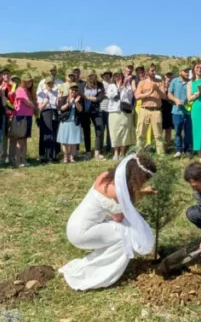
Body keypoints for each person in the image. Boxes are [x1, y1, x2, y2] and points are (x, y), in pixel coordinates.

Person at [58, 154, 157, 290]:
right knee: (126, 236)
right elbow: (119, 217)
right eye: (144, 180)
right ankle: (99, 274)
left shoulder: (107, 176)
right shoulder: (115, 192)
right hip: (82, 233)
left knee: (123, 231)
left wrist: (142, 191)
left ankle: (99, 262)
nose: (144, 183)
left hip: (74, 224)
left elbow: (122, 193)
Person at [134, 64, 166, 155]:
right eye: (152, 70)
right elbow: (137, 96)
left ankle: (161, 155)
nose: (154, 72)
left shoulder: (160, 82)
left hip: (156, 110)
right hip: (144, 110)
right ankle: (139, 154)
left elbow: (164, 96)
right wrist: (147, 94)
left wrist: (157, 89)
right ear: (147, 71)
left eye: (155, 70)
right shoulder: (142, 83)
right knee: (140, 133)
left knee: (158, 135)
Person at [106, 73, 134, 161]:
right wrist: (118, 88)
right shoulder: (111, 86)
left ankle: (122, 152)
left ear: (122, 76)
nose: (118, 78)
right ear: (113, 77)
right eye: (115, 76)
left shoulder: (127, 84)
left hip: (124, 111)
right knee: (114, 132)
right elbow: (110, 96)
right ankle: (115, 152)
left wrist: (125, 85)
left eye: (119, 76)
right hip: (114, 111)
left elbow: (130, 96)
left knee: (124, 132)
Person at [11, 77, 37, 168]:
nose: (29, 82)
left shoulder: (28, 91)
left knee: (25, 139)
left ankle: (24, 159)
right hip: (21, 116)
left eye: (30, 80)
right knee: (20, 139)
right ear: (23, 81)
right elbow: (29, 103)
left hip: (28, 116)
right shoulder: (20, 90)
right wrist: (34, 105)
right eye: (27, 80)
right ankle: (18, 161)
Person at [167, 67, 193, 157]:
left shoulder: (190, 82)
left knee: (188, 131)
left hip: (188, 111)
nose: (187, 73)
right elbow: (169, 94)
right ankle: (178, 149)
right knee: (177, 131)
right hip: (176, 111)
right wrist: (176, 100)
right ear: (180, 72)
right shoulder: (174, 81)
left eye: (188, 71)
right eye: (185, 71)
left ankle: (188, 150)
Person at [58, 83, 85, 163]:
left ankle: (72, 157)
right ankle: (66, 157)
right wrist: (70, 102)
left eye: (76, 90)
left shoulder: (79, 98)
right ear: (69, 90)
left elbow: (80, 110)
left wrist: (76, 102)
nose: (74, 91)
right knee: (65, 141)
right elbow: (61, 108)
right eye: (72, 90)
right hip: (65, 122)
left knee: (73, 141)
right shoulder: (63, 98)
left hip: (75, 122)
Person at [83, 71, 105, 160]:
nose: (91, 77)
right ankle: (88, 152)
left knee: (100, 130)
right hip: (85, 111)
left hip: (96, 111)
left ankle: (97, 152)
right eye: (89, 75)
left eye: (93, 75)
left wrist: (87, 98)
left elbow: (100, 98)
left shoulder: (100, 85)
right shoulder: (83, 85)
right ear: (87, 76)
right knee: (86, 131)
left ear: (95, 76)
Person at [38, 77, 60, 163]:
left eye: (51, 83)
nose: (50, 85)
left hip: (54, 112)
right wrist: (46, 101)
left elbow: (57, 105)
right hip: (45, 112)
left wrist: (58, 100)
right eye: (48, 84)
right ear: (45, 84)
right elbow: (40, 107)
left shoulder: (56, 93)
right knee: (46, 133)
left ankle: (54, 155)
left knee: (54, 133)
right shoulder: (41, 93)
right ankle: (44, 155)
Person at [160, 72, 175, 150]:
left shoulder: (174, 85)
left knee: (168, 130)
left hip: (170, 109)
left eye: (170, 75)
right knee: (160, 130)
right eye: (167, 75)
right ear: (165, 76)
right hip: (162, 110)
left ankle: (167, 147)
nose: (169, 77)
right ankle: (160, 147)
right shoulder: (161, 85)